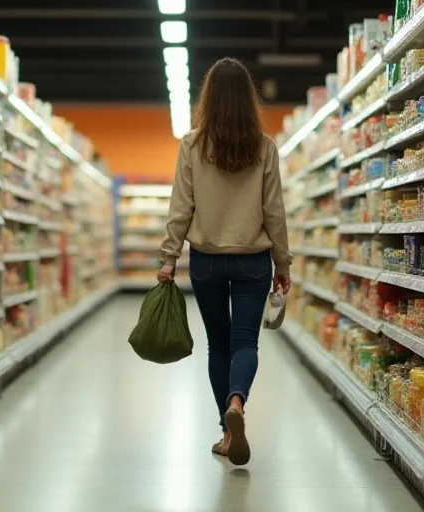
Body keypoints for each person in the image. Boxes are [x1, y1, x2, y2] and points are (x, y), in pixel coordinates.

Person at [157, 57, 292, 466]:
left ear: (209, 98)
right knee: (245, 343)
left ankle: (225, 430)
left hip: (207, 260)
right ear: (249, 100)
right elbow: (274, 210)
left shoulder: (192, 144)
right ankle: (238, 403)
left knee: (218, 344)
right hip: (254, 260)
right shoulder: (265, 146)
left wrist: (168, 256)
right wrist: (283, 263)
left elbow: (182, 206)